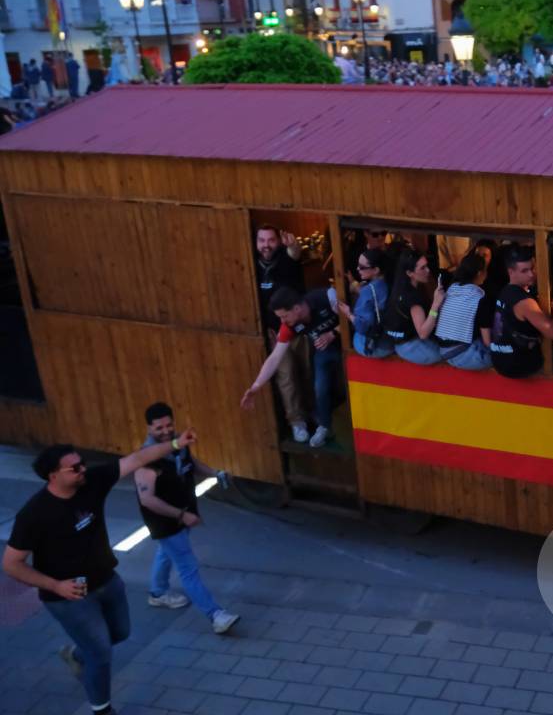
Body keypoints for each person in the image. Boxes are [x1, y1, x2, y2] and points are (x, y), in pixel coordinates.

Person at [3, 430, 198, 715]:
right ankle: (102, 709)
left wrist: (176, 443)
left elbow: (137, 458)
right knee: (100, 653)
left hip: (108, 581)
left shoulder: (91, 482)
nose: (83, 469)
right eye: (74, 468)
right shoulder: (34, 514)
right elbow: (11, 564)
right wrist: (56, 586)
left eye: (82, 463)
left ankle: (76, 654)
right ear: (52, 476)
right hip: (69, 598)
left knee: (119, 633)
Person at [136, 403, 239, 633]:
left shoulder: (177, 443)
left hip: (184, 513)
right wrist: (182, 515)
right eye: (159, 427)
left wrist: (215, 473)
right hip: (167, 521)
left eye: (169, 424)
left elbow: (190, 464)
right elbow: (148, 500)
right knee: (188, 567)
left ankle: (158, 592)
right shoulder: (147, 459)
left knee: (167, 552)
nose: (165, 430)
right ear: (149, 428)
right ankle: (216, 615)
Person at [242, 286, 342, 448]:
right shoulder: (289, 326)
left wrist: (333, 333)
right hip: (326, 350)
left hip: (350, 345)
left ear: (297, 308)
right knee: (320, 386)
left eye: (284, 316)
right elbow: (275, 357)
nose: (282, 321)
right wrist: (255, 387)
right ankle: (324, 426)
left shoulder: (325, 298)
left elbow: (355, 318)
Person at [252, 225, 310, 443]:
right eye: (262, 240)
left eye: (271, 240)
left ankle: (313, 415)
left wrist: (294, 246)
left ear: (278, 241)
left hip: (299, 329)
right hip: (274, 332)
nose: (266, 245)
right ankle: (297, 422)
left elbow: (295, 254)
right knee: (286, 377)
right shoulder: (251, 263)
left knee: (306, 372)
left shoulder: (285, 258)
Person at [491, 245, 553, 378]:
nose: (531, 274)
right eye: (524, 271)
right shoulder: (524, 302)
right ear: (511, 272)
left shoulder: (505, 292)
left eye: (532, 268)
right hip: (519, 365)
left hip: (498, 358)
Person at [383, 249, 445, 364]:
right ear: (409, 273)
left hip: (397, 340)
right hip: (409, 346)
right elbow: (423, 333)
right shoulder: (413, 298)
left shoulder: (399, 287)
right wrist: (436, 304)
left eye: (427, 266)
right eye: (422, 268)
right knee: (446, 355)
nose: (428, 270)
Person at [434, 253, 493, 370]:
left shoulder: (452, 289)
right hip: (462, 355)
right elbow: (487, 341)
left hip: (442, 350)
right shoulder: (479, 298)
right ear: (479, 273)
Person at [338, 248, 392, 358]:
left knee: (356, 336)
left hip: (377, 346)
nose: (358, 269)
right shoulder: (389, 282)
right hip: (391, 340)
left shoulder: (368, 291)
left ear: (376, 270)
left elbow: (362, 326)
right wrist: (354, 283)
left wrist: (349, 314)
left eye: (362, 267)